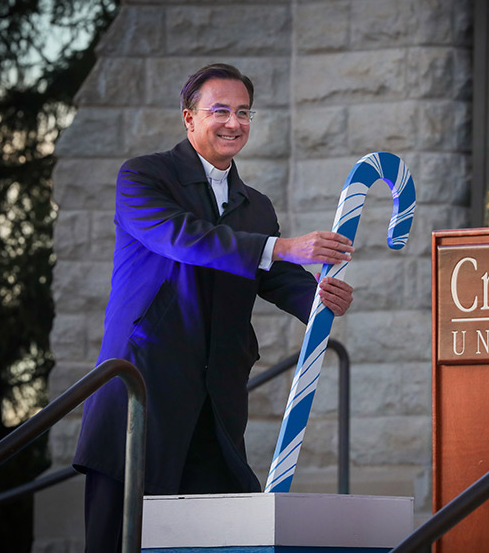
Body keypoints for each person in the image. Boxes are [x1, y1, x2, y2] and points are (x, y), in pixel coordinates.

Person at [73, 63, 354, 551]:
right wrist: (283, 246)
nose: (234, 123)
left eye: (243, 112)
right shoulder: (143, 177)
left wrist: (322, 301)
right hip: (143, 396)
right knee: (118, 544)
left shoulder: (256, 205)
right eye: (219, 110)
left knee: (216, 542)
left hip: (217, 407)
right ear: (189, 117)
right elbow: (186, 239)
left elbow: (278, 277)